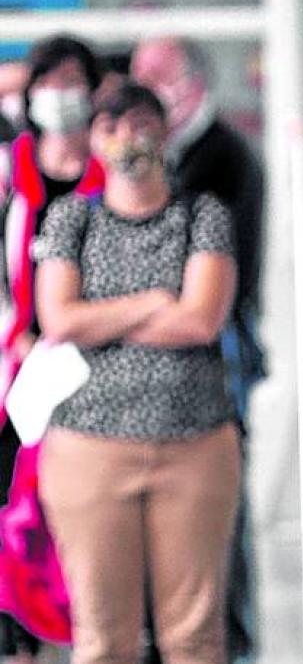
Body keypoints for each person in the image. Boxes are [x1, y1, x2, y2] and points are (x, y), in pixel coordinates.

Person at [35, 82, 241, 664]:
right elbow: (59, 319)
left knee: (195, 637)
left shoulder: (203, 215)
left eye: (142, 121)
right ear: (94, 140)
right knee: (103, 638)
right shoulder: (71, 219)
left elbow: (202, 320)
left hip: (195, 447)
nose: (130, 137)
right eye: (112, 126)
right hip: (89, 451)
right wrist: (156, 301)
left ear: (165, 128)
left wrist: (103, 318)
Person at [131, 37, 265, 664]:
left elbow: (200, 291)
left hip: (219, 371)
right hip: (164, 384)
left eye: (156, 78)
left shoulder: (226, 160)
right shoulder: (167, 162)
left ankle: (234, 647)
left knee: (219, 526)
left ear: (191, 83)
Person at [0, 35, 106, 664]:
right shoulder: (12, 170)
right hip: (19, 365)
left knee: (80, 511)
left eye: (73, 83)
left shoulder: (106, 169)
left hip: (91, 366)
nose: (60, 98)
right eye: (48, 83)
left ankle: (91, 625)